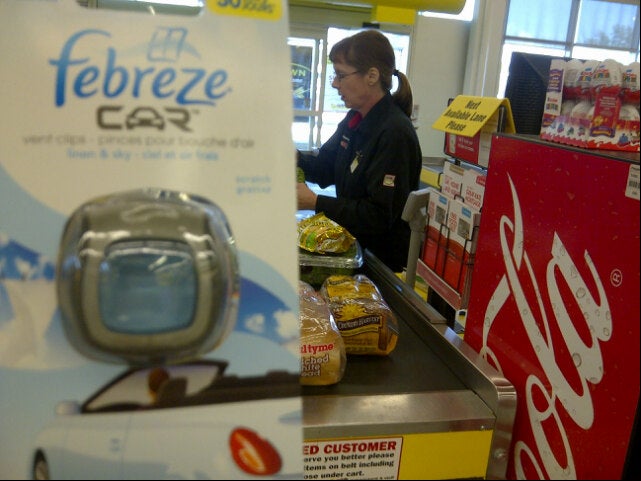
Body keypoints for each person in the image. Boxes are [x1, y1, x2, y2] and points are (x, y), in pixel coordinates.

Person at [296, 29, 422, 273]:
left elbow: (378, 216)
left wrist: (316, 202)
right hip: (354, 249)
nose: (335, 83)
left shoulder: (394, 133)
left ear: (372, 76)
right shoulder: (355, 120)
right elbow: (325, 168)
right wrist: (294, 158)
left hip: (382, 265)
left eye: (341, 75)